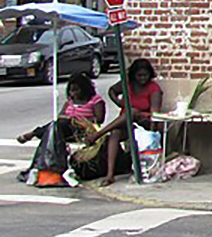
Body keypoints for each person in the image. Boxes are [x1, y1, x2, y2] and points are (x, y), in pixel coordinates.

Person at [86, 58, 162, 186]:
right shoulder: (128, 84)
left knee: (131, 112)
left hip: (144, 123)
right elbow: (112, 91)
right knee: (115, 133)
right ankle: (110, 174)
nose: (142, 78)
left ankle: (99, 134)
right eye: (139, 76)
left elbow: (155, 113)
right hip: (125, 123)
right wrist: (119, 103)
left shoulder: (154, 88)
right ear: (133, 75)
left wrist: (140, 114)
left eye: (145, 75)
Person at [16, 71, 106, 144]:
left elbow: (99, 119)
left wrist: (79, 120)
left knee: (58, 127)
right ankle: (36, 133)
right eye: (71, 91)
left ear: (84, 89)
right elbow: (61, 115)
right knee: (57, 125)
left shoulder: (95, 100)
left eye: (76, 90)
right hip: (67, 127)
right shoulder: (70, 101)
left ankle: (34, 133)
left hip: (83, 129)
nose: (73, 93)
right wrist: (68, 118)